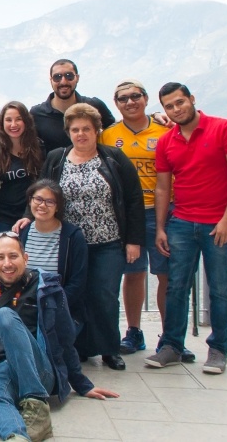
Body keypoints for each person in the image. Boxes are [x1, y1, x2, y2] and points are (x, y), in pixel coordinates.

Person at [0, 234, 119, 442]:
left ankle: (35, 400)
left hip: (38, 369)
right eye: (0, 257)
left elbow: (65, 338)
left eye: (13, 256)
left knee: (4, 316)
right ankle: (16, 436)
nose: (7, 263)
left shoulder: (47, 286)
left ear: (25, 258)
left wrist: (83, 384)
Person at [145, 83, 227, 376]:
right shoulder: (167, 142)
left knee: (219, 288)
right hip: (181, 223)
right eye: (169, 106)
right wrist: (161, 228)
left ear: (191, 100)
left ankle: (217, 350)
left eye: (180, 102)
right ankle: (172, 346)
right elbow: (163, 188)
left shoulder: (224, 129)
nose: (176, 109)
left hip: (218, 224)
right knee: (176, 286)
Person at [42, 103, 142, 371]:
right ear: (68, 132)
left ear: (97, 130)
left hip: (108, 242)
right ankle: (81, 347)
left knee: (104, 295)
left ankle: (109, 349)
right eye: (75, 129)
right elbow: (42, 193)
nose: (81, 134)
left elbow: (133, 199)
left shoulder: (112, 158)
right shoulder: (57, 158)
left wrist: (133, 240)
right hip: (70, 243)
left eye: (86, 128)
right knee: (75, 295)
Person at [99, 79, 191, 361]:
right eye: (123, 98)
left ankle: (169, 338)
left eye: (135, 96)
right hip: (128, 216)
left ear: (146, 98)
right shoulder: (108, 135)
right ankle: (134, 332)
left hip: (162, 212)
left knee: (166, 275)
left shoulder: (165, 129)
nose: (130, 102)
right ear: (116, 104)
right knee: (134, 273)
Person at [16, 180, 87, 327]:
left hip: (59, 310)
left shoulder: (72, 236)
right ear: (30, 201)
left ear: (57, 207)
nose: (42, 205)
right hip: (24, 307)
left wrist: (52, 307)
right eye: (38, 199)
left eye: (50, 202)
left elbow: (77, 282)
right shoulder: (22, 231)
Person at [29, 59, 116, 153]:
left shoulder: (95, 106)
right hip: (52, 167)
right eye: (57, 77)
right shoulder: (36, 114)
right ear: (51, 80)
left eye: (69, 76)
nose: (63, 82)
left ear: (77, 78)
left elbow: (115, 133)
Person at [0, 102, 43, 239]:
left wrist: (29, 215)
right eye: (8, 120)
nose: (13, 124)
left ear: (26, 121)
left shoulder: (39, 148)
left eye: (18, 119)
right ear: (2, 123)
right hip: (3, 220)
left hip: (33, 218)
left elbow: (43, 185)